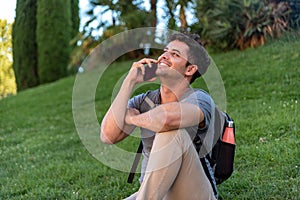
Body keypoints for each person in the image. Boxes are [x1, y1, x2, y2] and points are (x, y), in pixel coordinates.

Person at [100, 32, 218, 200]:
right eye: (165, 51)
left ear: (190, 69)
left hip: (192, 194)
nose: (164, 56)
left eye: (175, 54)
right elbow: (107, 135)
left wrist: (130, 118)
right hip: (154, 193)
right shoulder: (145, 100)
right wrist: (130, 81)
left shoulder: (200, 99)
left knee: (172, 133)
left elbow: (167, 120)